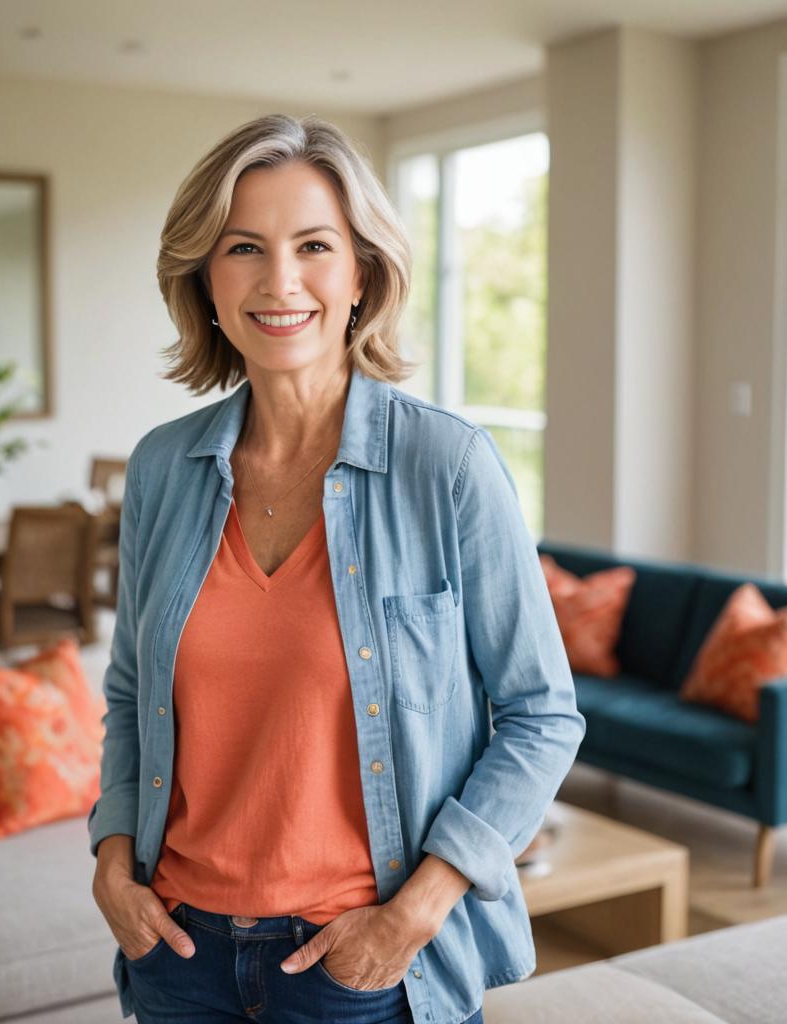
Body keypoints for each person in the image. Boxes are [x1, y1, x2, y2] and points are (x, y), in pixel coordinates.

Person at [88, 112, 586, 1024]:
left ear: (362, 272)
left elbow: (541, 713)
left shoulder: (449, 466)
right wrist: (111, 858)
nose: (280, 281)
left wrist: (412, 917)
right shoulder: (162, 465)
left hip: (359, 966)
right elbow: (128, 690)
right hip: (176, 952)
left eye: (314, 245)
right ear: (204, 276)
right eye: (244, 247)